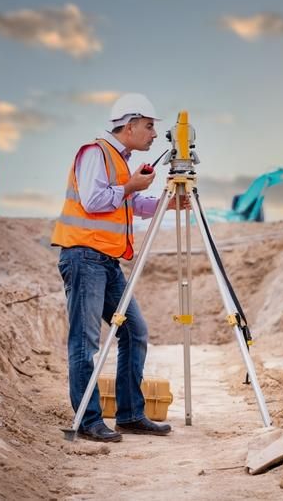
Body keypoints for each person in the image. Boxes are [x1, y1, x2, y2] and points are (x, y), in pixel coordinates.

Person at [51, 93, 183, 442]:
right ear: (130, 125)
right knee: (85, 341)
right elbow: (95, 201)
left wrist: (168, 203)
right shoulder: (95, 153)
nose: (155, 135)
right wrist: (129, 186)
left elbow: (130, 202)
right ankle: (88, 419)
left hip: (106, 261)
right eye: (150, 126)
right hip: (84, 257)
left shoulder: (121, 161)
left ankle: (130, 414)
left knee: (134, 331)